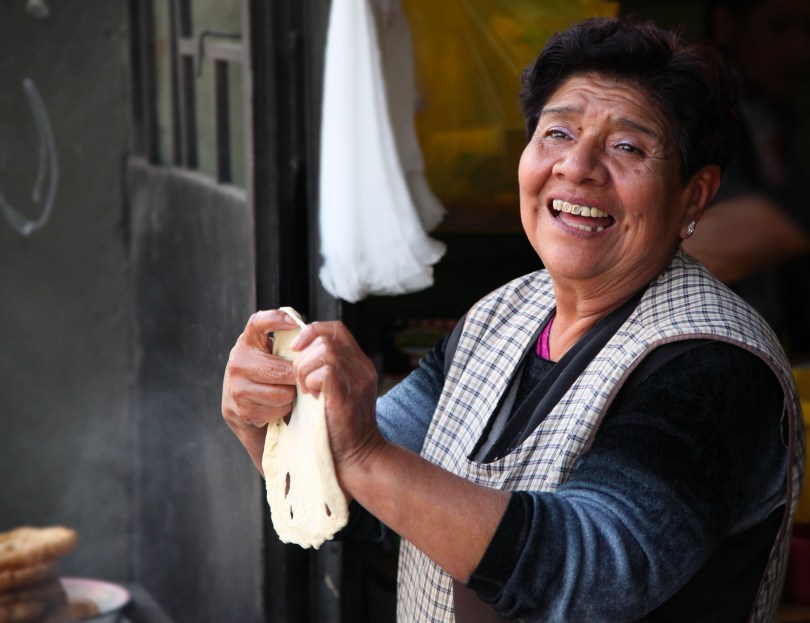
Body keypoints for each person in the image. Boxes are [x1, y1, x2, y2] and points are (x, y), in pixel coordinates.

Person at [222, 17, 803, 622]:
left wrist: (365, 454)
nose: (577, 166)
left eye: (628, 147)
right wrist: (274, 423)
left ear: (694, 194)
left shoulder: (714, 365)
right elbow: (363, 495)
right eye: (557, 133)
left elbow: (592, 573)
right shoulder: (500, 315)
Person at [683, 0, 810, 358]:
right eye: (779, 26)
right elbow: (693, 248)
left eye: (809, 30)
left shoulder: (774, 118)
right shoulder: (691, 118)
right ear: (725, 24)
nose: (801, 49)